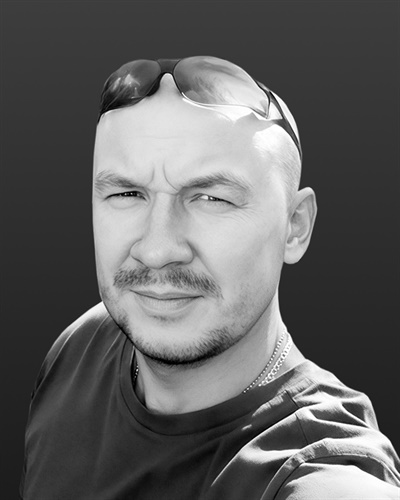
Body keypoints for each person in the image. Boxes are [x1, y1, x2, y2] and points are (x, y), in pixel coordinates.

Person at [20, 56, 400, 499]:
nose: (157, 250)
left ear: (295, 226)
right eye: (127, 193)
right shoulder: (79, 350)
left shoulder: (320, 472)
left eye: (210, 198)